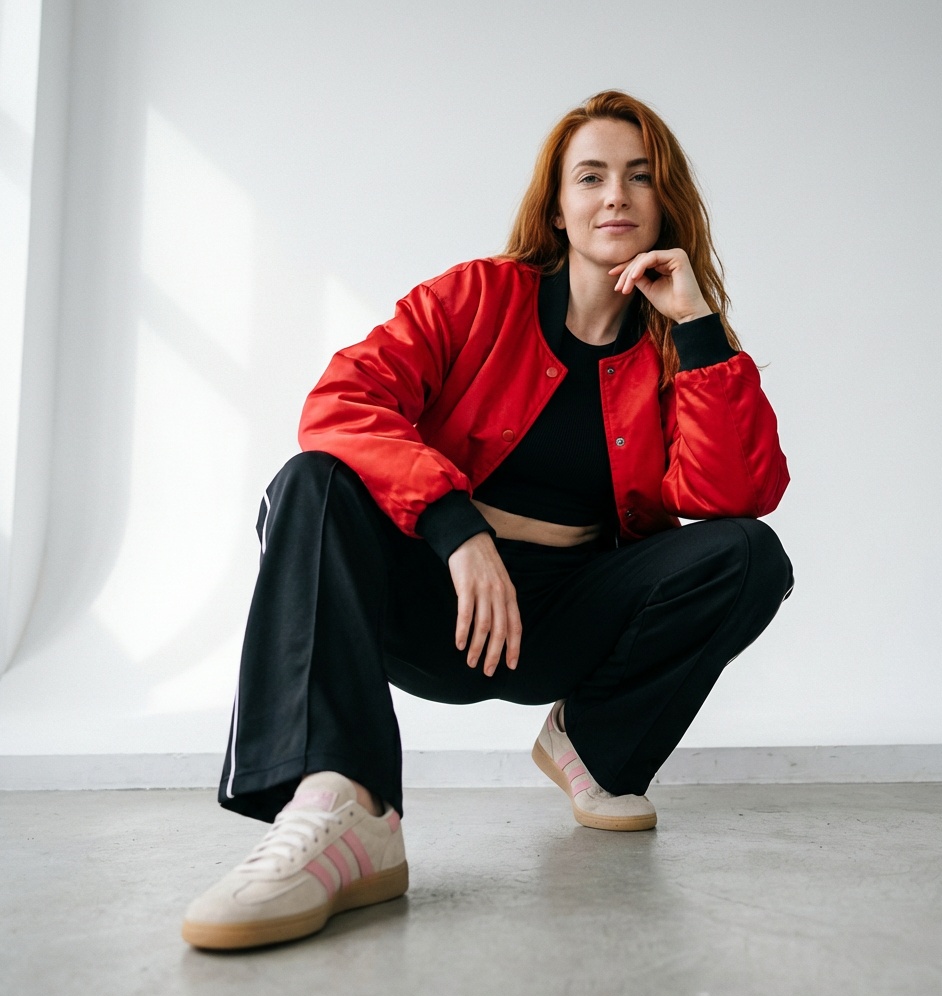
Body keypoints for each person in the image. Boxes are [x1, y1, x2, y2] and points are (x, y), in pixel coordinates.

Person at [181, 90, 793, 950]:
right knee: (311, 481)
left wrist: (696, 327)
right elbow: (343, 401)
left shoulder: (673, 349)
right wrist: (455, 528)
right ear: (558, 208)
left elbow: (735, 495)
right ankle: (341, 805)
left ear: (665, 205)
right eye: (591, 177)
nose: (616, 196)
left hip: (565, 618)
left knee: (750, 554)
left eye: (639, 177)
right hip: (436, 597)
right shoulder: (475, 297)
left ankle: (594, 749)